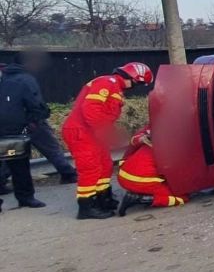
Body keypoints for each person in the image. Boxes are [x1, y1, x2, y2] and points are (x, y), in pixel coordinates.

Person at [62, 62, 153, 220]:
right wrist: (102, 131)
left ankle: (103, 198)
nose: (135, 87)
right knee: (90, 168)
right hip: (82, 132)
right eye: (137, 83)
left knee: (105, 165)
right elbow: (91, 108)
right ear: (132, 77)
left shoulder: (114, 87)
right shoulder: (107, 83)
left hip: (91, 132)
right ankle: (86, 206)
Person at [0, 52, 77, 195]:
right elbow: (35, 102)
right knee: (51, 148)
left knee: (11, 153)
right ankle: (68, 173)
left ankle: (1, 182)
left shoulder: (5, 78)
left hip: (10, 125)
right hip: (31, 122)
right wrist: (38, 118)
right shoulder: (25, 79)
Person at [0, 52, 50, 210]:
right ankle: (25, 197)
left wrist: (32, 121)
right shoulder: (21, 80)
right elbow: (35, 104)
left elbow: (35, 105)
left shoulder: (14, 81)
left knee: (18, 165)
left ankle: (25, 197)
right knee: (19, 166)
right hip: (12, 129)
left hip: (12, 128)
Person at [117, 127, 186, 216]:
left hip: (123, 175)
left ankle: (140, 192)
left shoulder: (156, 130)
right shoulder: (177, 144)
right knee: (181, 197)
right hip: (139, 180)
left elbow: (134, 141)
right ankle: (140, 198)